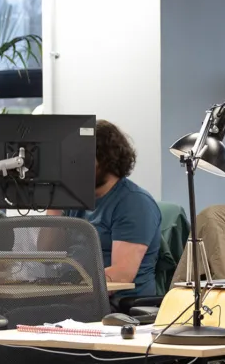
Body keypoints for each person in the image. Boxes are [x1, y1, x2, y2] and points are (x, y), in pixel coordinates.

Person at [69, 120, 162, 300]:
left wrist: (67, 287)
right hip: (78, 296)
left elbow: (121, 275)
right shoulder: (75, 198)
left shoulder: (134, 202)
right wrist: (54, 200)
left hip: (118, 305)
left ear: (106, 159)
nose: (77, 166)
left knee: (26, 315)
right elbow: (47, 254)